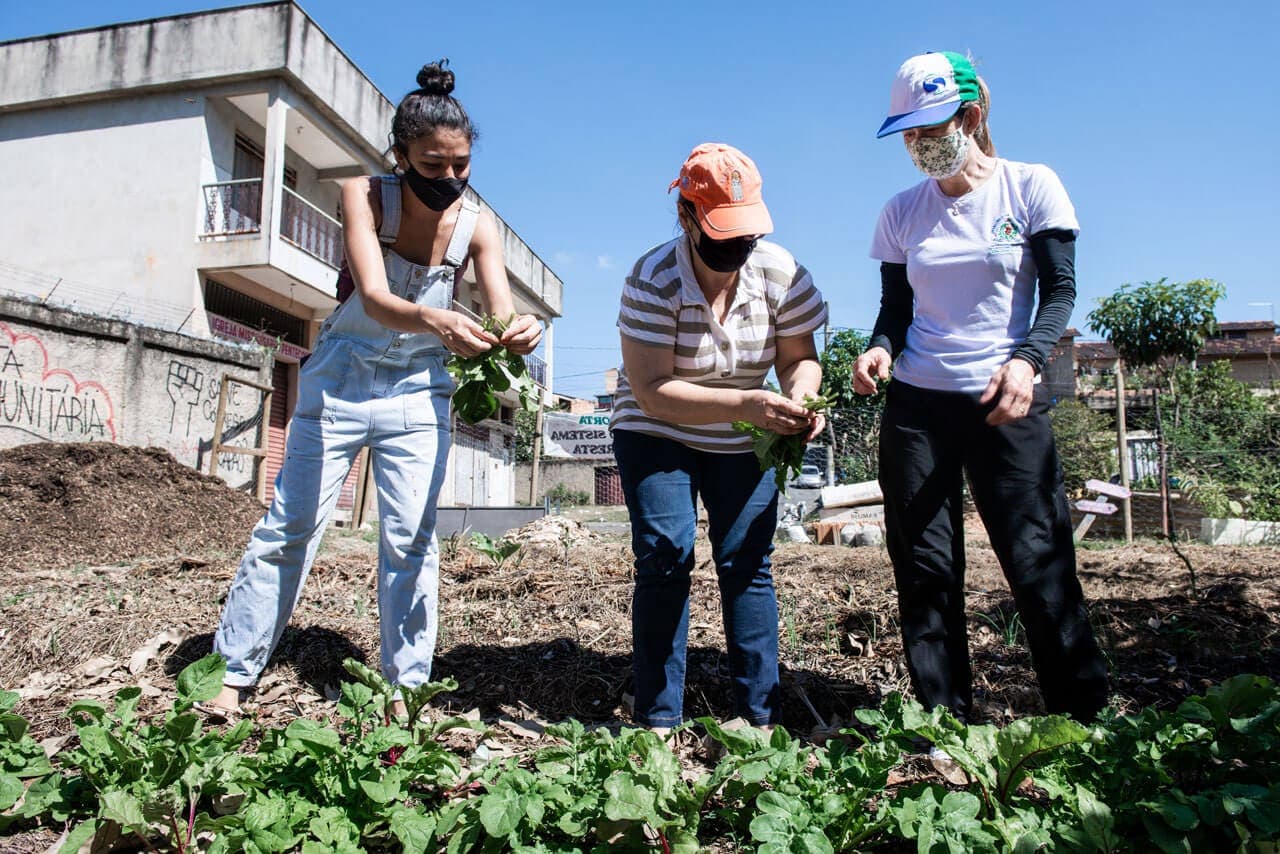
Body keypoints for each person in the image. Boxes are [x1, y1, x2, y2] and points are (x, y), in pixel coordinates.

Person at [205, 61, 542, 717]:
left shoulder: (480, 227)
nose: (450, 179)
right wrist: (437, 320)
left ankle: (405, 692)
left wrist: (517, 331)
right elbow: (376, 297)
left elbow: (499, 313)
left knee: (411, 538)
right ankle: (231, 677)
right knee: (291, 527)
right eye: (434, 165)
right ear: (401, 155)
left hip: (420, 390)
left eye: (461, 166)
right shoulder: (364, 194)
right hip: (342, 379)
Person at [854, 51, 1109, 724]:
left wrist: (1026, 361)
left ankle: (1081, 721)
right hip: (917, 408)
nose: (918, 144)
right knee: (926, 569)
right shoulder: (900, 213)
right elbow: (895, 314)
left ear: (971, 116)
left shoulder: (1030, 187)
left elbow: (1059, 293)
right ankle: (947, 723)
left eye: (930, 129)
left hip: (1005, 402)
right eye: (908, 133)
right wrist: (879, 351)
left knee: (1038, 562)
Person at [611, 143, 827, 731]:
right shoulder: (654, 278)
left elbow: (801, 360)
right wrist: (749, 405)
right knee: (665, 554)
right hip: (658, 428)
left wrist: (802, 397)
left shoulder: (782, 273)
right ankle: (657, 719)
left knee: (746, 560)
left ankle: (759, 718)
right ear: (686, 217)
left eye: (746, 233)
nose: (737, 247)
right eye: (721, 232)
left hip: (743, 432)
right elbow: (652, 389)